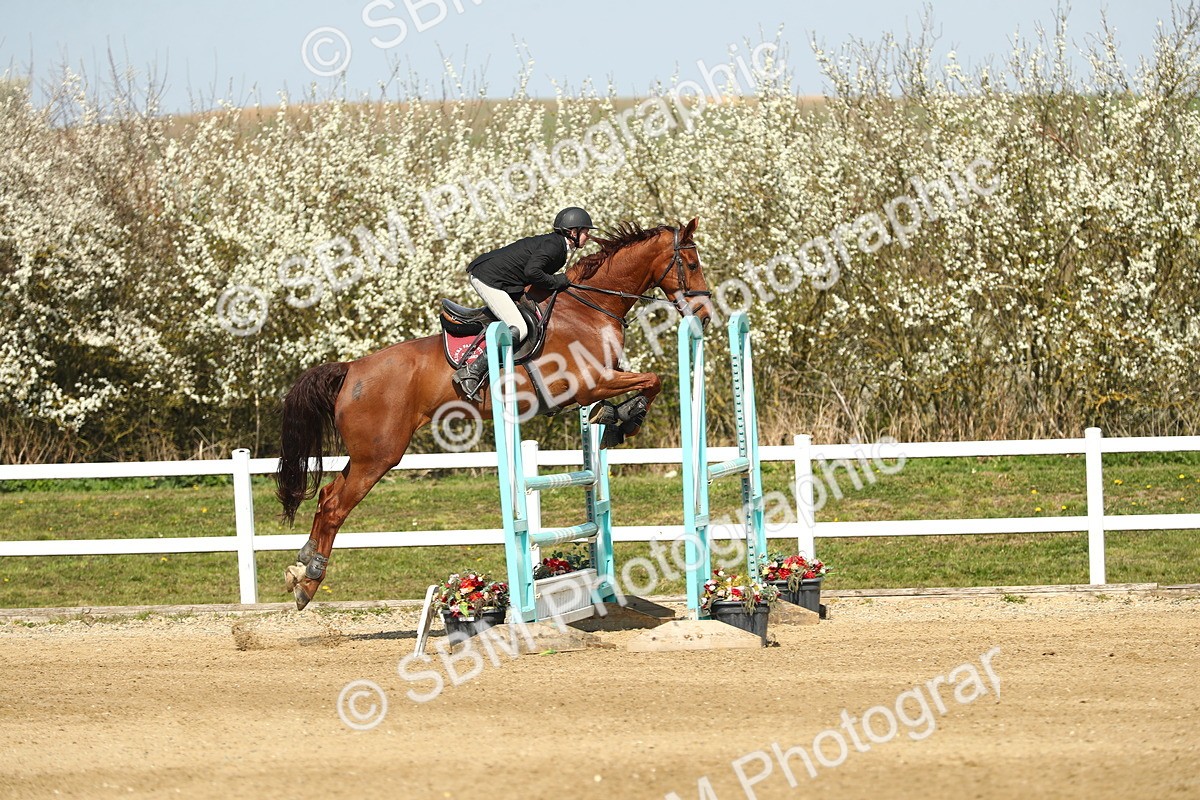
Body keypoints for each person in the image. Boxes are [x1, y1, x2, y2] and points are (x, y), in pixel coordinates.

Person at [454, 206, 597, 400]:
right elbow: (533, 273)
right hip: (488, 279)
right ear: (572, 232)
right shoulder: (555, 247)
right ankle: (471, 371)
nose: (587, 237)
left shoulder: (557, 245)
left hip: (502, 280)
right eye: (585, 232)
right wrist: (558, 281)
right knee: (519, 328)